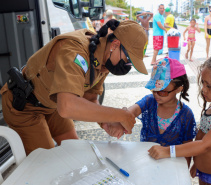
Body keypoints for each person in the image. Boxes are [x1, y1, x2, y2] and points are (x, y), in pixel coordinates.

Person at [0, 20, 149, 155]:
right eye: (128, 60)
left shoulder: (104, 61)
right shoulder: (75, 50)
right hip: (24, 105)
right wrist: (120, 115)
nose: (127, 67)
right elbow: (67, 106)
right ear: (115, 45)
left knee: (75, 151)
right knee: (46, 161)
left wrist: (105, 122)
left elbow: (90, 98)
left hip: (53, 103)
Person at [148, 53, 211, 185]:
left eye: (209, 86)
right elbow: (201, 136)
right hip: (204, 174)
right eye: (203, 83)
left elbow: (204, 145)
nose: (203, 90)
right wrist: (196, 162)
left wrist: (167, 151)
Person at [105, 57, 197, 166]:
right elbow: (131, 112)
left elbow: (188, 147)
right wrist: (120, 122)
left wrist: (184, 170)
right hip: (147, 161)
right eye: (154, 89)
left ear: (178, 89)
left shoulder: (186, 115)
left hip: (173, 165)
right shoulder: (149, 102)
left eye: (162, 92)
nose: (156, 94)